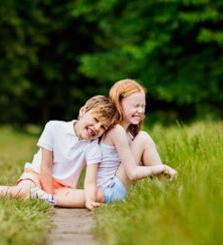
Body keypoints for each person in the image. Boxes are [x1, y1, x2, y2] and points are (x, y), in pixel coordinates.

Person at [0, 95, 118, 210]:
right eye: (95, 120)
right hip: (37, 175)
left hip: (63, 188)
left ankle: (43, 197)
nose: (96, 128)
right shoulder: (54, 127)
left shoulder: (93, 147)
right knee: (23, 190)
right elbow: (46, 165)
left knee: (98, 194)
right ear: (83, 112)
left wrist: (88, 201)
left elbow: (89, 182)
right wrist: (47, 193)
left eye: (103, 127)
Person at [45, 78, 178, 208]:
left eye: (143, 106)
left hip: (115, 187)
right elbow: (132, 173)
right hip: (111, 190)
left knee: (142, 137)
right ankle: (168, 189)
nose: (141, 111)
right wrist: (161, 168)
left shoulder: (127, 133)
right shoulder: (116, 131)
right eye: (135, 106)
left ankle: (167, 190)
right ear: (119, 104)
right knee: (144, 138)